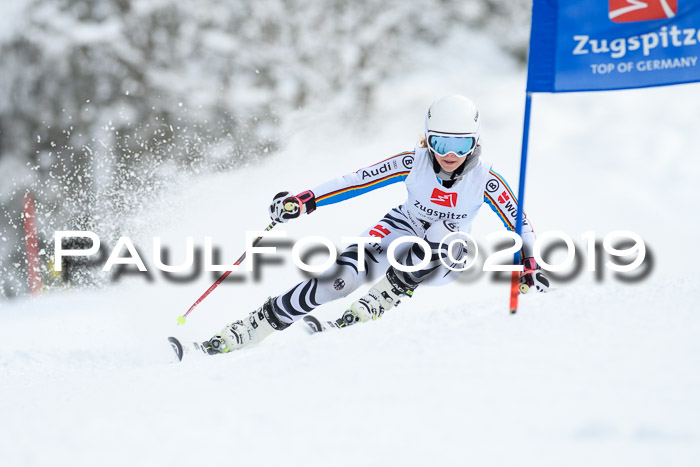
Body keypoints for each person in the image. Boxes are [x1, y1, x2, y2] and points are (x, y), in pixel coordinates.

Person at [203, 94, 550, 354]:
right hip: (401, 227)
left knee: (443, 241)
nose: (450, 154)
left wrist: (529, 262)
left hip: (449, 252)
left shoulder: (485, 179)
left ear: (475, 142)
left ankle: (385, 296)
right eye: (440, 142)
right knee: (338, 280)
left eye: (460, 144)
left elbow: (519, 221)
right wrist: (305, 201)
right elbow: (356, 181)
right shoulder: (412, 162)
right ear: (427, 138)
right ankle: (254, 326)